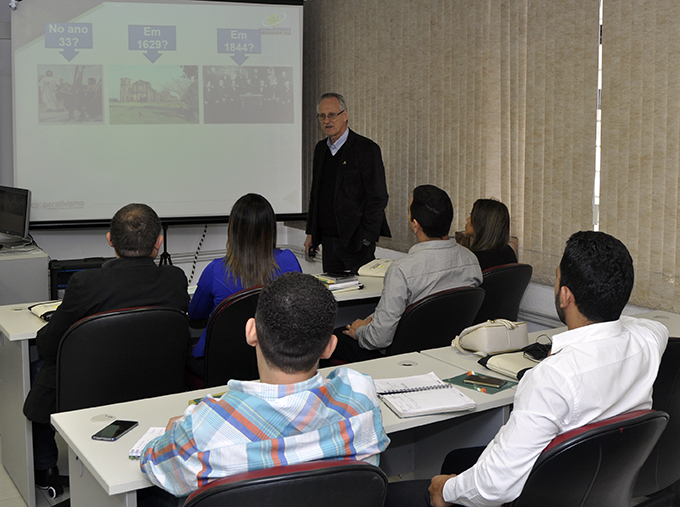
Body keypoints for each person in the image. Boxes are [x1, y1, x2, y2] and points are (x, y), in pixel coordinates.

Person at [384, 231, 669, 507]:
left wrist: (445, 490)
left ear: (565, 296)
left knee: (414, 491)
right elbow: (646, 325)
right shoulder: (649, 340)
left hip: (538, 491)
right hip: (594, 485)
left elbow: (495, 485)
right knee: (458, 460)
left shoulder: (551, 377)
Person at [140, 272, 390, 503]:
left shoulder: (203, 427)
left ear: (251, 332)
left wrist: (175, 434)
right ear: (330, 346)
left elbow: (153, 464)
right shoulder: (361, 396)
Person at [23, 203, 189, 490]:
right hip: (156, 385)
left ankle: (46, 470)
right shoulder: (175, 279)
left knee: (38, 368)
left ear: (110, 240)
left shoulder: (86, 282)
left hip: (93, 389)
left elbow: (49, 345)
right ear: (158, 243)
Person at [332, 185, 482, 363]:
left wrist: (360, 331)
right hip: (444, 353)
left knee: (330, 340)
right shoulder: (470, 260)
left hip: (398, 358)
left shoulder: (402, 270)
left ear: (415, 225)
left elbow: (378, 339)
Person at [187, 193, 302, 371]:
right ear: (271, 227)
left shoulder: (215, 270)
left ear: (233, 230)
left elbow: (195, 315)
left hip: (220, 363)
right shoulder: (289, 261)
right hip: (273, 361)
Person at [305, 92, 391, 274]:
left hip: (356, 244)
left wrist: (366, 238)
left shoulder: (366, 149)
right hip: (328, 242)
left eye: (332, 115)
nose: (326, 120)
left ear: (345, 115)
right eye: (322, 116)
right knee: (333, 297)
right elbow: (316, 194)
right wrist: (311, 233)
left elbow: (378, 197)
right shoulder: (320, 149)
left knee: (360, 295)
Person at [459, 198, 517, 271]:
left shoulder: (473, 260)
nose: (467, 219)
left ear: (481, 223)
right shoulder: (509, 252)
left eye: (471, 215)